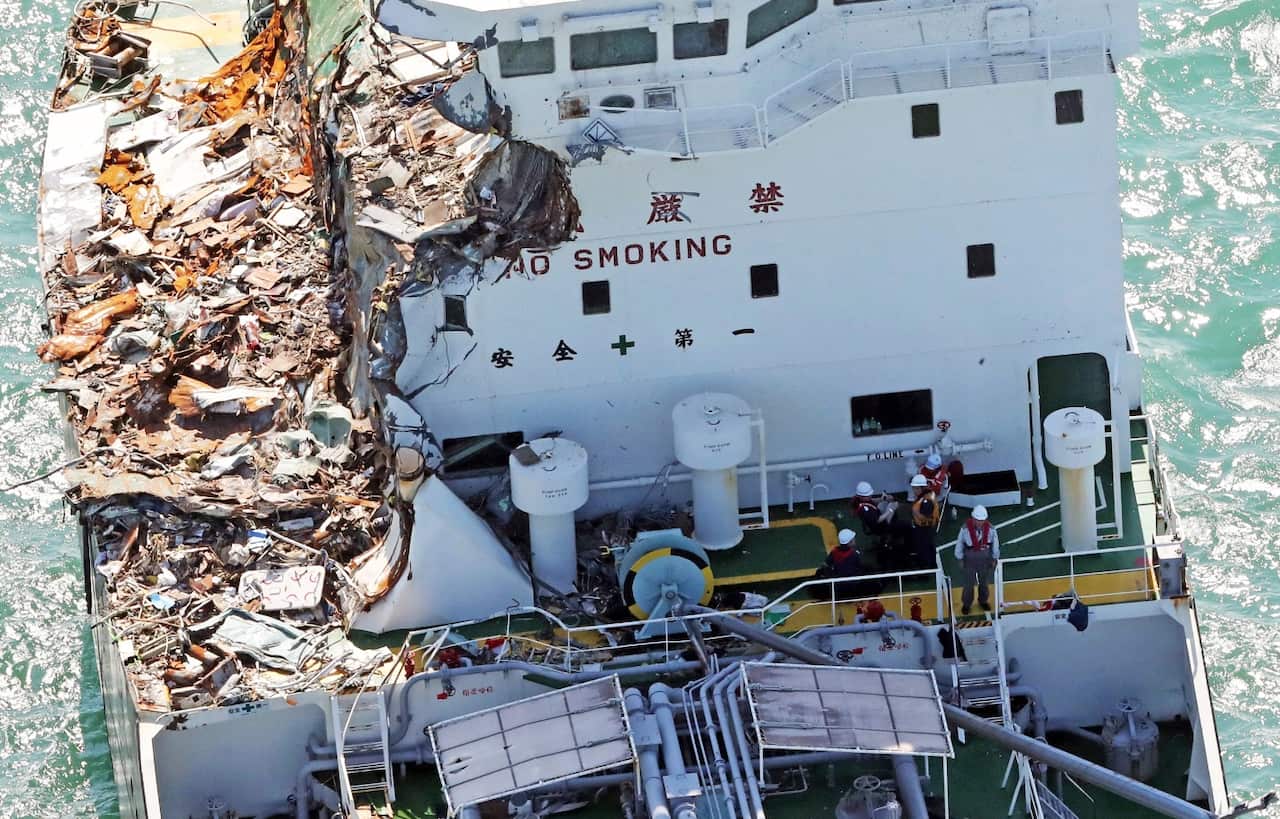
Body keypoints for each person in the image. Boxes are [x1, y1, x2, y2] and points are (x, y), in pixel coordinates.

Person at [954, 505, 1000, 615]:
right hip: (969, 560)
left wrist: (994, 558)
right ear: (973, 518)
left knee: (984, 582)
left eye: (982, 520)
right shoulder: (965, 529)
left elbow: (995, 545)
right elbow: (960, 543)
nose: (980, 522)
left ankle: (983, 601)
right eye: (978, 520)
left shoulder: (991, 530)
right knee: (968, 584)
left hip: (985, 560)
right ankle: (967, 604)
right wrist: (960, 558)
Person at [815, 529, 869, 599]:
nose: (855, 540)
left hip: (838, 585)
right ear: (850, 542)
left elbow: (825, 564)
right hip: (852, 585)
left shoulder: (834, 552)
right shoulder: (855, 554)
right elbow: (861, 566)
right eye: (853, 539)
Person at [909, 474, 940, 568]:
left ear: (922, 488)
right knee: (928, 546)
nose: (914, 491)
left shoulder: (927, 501)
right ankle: (929, 564)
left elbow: (926, 516)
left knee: (924, 547)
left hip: (925, 528)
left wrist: (915, 513)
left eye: (916, 488)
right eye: (914, 488)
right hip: (924, 528)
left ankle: (925, 567)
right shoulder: (925, 496)